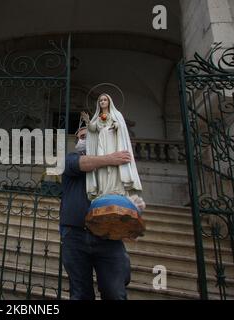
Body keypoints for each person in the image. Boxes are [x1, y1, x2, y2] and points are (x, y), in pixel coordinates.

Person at [59, 125, 133, 300]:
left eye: (86, 136)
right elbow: (83, 164)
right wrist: (110, 158)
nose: (81, 141)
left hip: (108, 237)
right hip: (75, 235)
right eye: (79, 138)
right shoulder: (70, 159)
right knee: (80, 294)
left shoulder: (113, 167)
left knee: (114, 292)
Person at [85, 93, 142, 199]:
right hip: (101, 142)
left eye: (104, 100)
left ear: (109, 102)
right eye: (100, 100)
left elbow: (120, 126)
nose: (102, 102)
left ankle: (115, 188)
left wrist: (116, 125)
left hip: (112, 142)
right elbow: (93, 129)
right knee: (101, 163)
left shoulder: (116, 114)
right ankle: (103, 190)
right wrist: (88, 122)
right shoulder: (97, 118)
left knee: (113, 162)